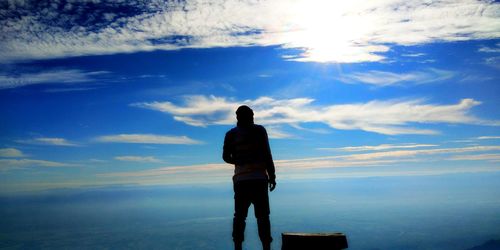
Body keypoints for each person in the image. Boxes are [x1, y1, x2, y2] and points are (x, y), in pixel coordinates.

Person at [223, 105, 276, 250]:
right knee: (263, 216)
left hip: (241, 181)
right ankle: (266, 246)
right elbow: (267, 154)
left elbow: (225, 157)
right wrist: (272, 176)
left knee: (240, 216)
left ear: (237, 117)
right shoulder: (259, 130)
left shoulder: (230, 134)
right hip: (259, 179)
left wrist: (238, 160)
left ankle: (237, 246)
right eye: (251, 114)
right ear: (251, 116)